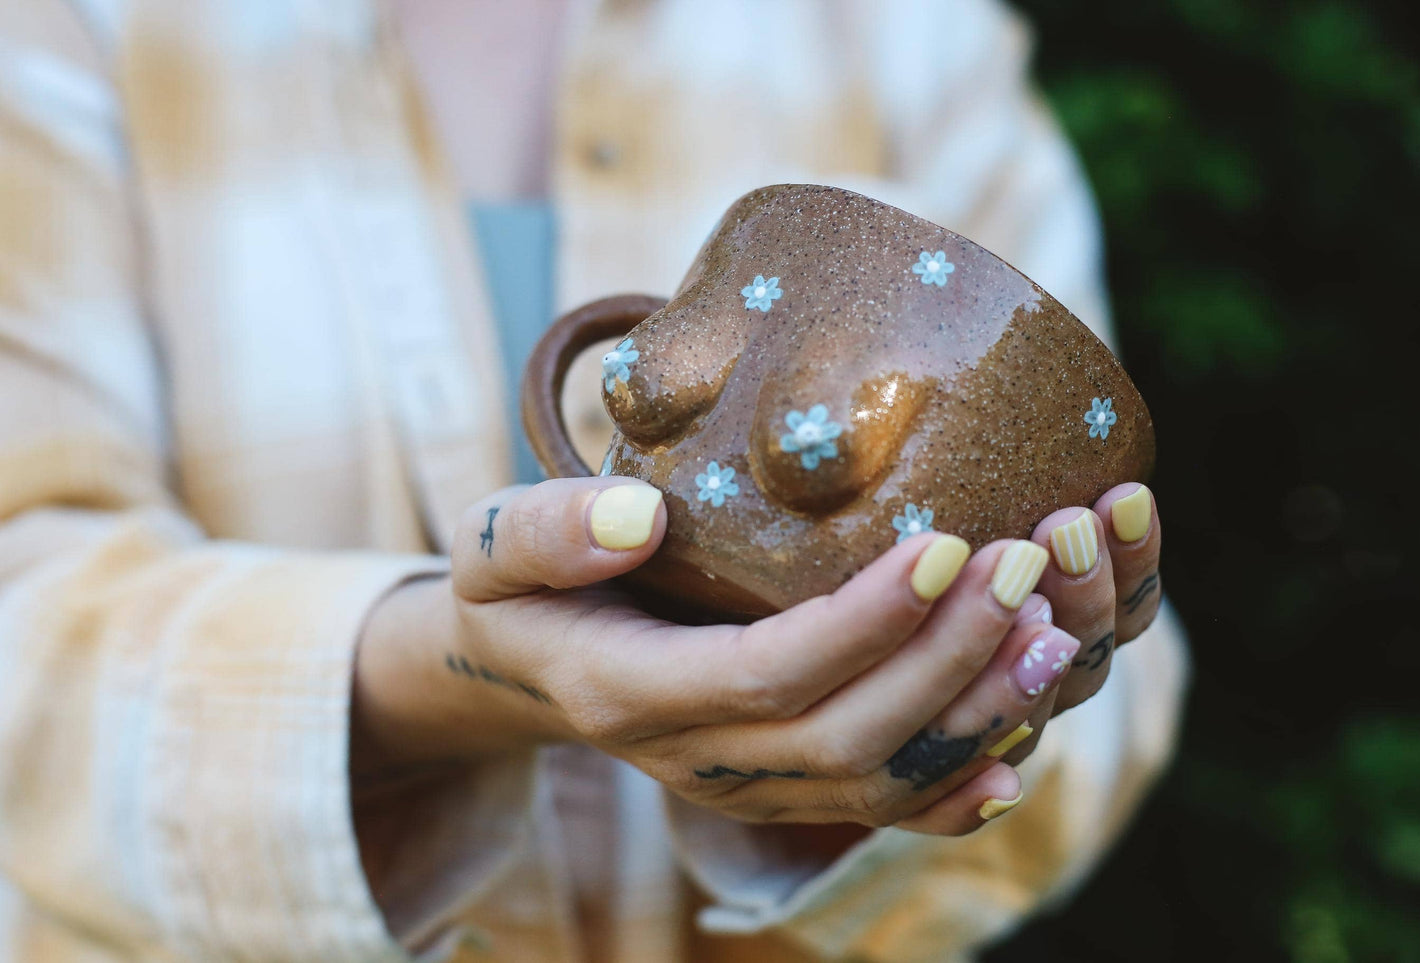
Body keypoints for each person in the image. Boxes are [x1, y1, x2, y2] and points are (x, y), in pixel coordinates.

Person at [0, 1, 1189, 960]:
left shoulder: (905, 33)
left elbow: (1103, 710)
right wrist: (454, 671)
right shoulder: (70, 27)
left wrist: (925, 722)